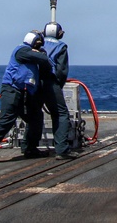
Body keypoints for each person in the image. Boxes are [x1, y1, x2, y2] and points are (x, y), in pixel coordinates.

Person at [0, 30, 52, 166]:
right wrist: (41, 54)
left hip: (26, 93)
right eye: (39, 44)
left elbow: (45, 62)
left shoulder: (32, 54)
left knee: (36, 118)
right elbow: (43, 59)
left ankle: (30, 148)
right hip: (12, 90)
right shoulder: (22, 50)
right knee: (7, 120)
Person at [42, 21, 73, 159]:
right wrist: (58, 85)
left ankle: (28, 147)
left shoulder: (38, 43)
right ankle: (62, 150)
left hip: (34, 82)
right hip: (50, 82)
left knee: (34, 113)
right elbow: (61, 70)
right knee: (61, 114)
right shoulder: (61, 46)